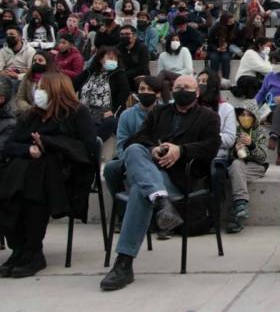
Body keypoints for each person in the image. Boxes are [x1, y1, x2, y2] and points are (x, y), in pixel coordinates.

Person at [99, 75, 221, 291]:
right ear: (171, 90)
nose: (182, 90)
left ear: (197, 92)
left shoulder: (208, 116)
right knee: (135, 150)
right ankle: (160, 199)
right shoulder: (160, 112)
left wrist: (180, 150)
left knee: (140, 189)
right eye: (178, 87)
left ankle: (124, 264)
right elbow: (136, 139)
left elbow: (211, 147)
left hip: (179, 176)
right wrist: (152, 150)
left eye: (187, 87)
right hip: (152, 169)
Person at [0, 73, 96, 278]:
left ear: (57, 90)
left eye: (42, 88)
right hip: (25, 173)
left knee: (34, 178)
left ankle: (34, 252)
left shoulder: (77, 113)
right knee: (12, 184)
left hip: (63, 176)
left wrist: (48, 143)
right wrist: (29, 150)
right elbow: (10, 145)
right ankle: (19, 249)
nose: (38, 92)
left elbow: (88, 149)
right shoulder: (31, 116)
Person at [103, 76, 164, 228]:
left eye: (150, 90)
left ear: (158, 93)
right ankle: (123, 214)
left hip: (159, 158)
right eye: (142, 89)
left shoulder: (165, 112)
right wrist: (131, 160)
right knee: (110, 168)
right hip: (131, 158)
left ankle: (160, 217)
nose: (145, 92)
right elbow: (121, 145)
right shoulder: (127, 115)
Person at [225, 100, 269, 234]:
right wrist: (234, 151)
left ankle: (237, 211)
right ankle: (240, 206)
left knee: (236, 173)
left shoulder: (260, 131)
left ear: (255, 116)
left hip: (256, 166)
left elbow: (262, 157)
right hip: (238, 164)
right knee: (237, 166)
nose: (245, 117)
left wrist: (251, 145)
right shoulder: (234, 130)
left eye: (248, 114)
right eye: (242, 114)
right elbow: (226, 154)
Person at [73, 46, 131, 141]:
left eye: (116, 59)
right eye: (110, 58)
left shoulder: (119, 75)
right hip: (83, 110)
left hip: (104, 113)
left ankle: (93, 144)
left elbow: (124, 95)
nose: (114, 61)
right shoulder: (88, 72)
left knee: (111, 122)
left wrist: (114, 111)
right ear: (100, 59)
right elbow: (72, 86)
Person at [117, 25, 151, 90]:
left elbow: (142, 68)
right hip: (123, 78)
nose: (124, 36)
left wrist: (124, 74)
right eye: (122, 34)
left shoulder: (143, 48)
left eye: (127, 34)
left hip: (139, 77)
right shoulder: (117, 48)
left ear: (134, 36)